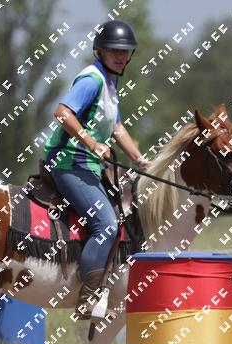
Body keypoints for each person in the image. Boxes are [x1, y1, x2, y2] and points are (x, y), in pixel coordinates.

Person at [42, 19, 148, 320]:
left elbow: (116, 127)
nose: (120, 56)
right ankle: (88, 298)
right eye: (114, 50)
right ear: (100, 51)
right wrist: (91, 143)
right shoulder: (92, 80)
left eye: (125, 51)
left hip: (87, 165)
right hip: (69, 162)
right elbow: (62, 112)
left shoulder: (111, 84)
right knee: (107, 225)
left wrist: (139, 159)